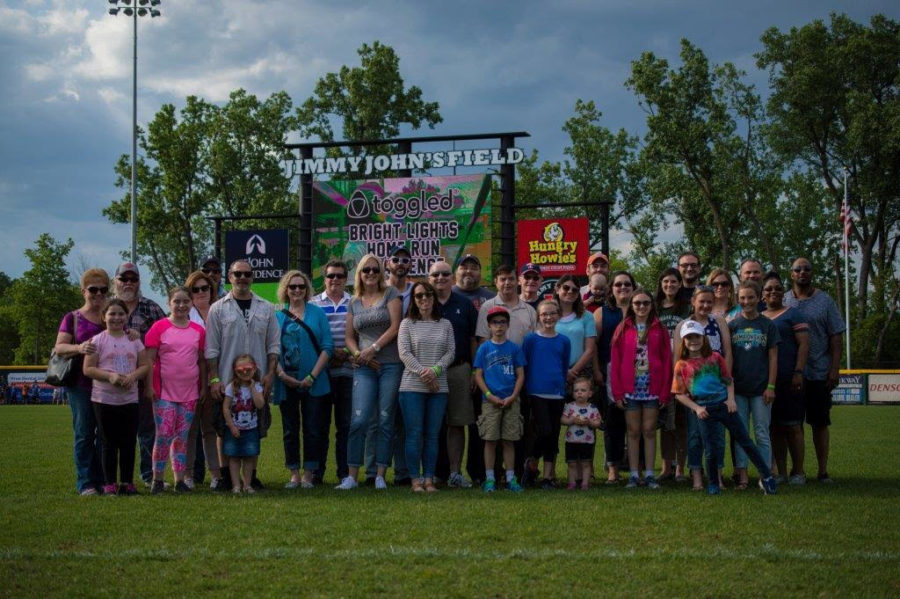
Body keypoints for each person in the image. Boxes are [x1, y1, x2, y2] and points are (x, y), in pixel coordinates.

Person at [672, 320, 777, 495]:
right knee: (711, 449)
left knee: (746, 441)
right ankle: (713, 483)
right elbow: (679, 393)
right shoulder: (682, 365)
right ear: (683, 341)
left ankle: (766, 476)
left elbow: (728, 380)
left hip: (725, 407)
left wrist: (731, 400)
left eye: (696, 336)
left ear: (703, 338)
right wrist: (696, 408)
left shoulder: (715, 358)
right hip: (705, 410)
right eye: (688, 338)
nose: (693, 341)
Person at [206, 259, 280, 490]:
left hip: (256, 382)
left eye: (247, 274)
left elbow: (273, 346)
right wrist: (215, 378)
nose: (242, 278)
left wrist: (269, 374)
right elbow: (211, 348)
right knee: (224, 426)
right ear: (230, 276)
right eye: (237, 274)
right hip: (228, 380)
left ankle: (251, 476)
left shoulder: (267, 308)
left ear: (253, 277)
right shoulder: (218, 308)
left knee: (255, 427)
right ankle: (225, 475)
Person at [337, 253, 403, 490]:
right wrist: (358, 355)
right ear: (360, 274)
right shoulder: (354, 302)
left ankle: (380, 474)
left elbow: (396, 326)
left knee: (386, 419)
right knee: (359, 420)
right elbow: (348, 337)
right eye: (366, 270)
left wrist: (373, 349)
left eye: (375, 270)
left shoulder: (391, 294)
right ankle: (352, 476)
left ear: (381, 273)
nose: (371, 274)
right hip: (364, 367)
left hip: (390, 364)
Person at [82, 298, 152, 496]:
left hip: (129, 400)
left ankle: (127, 483)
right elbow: (88, 368)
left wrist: (133, 377)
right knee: (108, 443)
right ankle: (109, 483)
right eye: (111, 314)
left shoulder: (134, 340)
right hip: (104, 399)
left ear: (126, 316)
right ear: (104, 317)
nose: (116, 317)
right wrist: (109, 376)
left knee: (129, 442)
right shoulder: (97, 340)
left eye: (120, 313)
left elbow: (145, 365)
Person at [784, 257, 844, 483]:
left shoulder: (825, 300)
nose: (802, 272)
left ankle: (822, 470)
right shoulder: (784, 299)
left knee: (819, 422)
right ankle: (797, 470)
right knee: (793, 424)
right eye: (797, 269)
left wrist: (834, 368)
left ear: (812, 273)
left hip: (819, 370)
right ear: (791, 274)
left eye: (807, 269)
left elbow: (836, 336)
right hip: (793, 372)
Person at [273, 270, 333, 489]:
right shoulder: (278, 316)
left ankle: (309, 473)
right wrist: (281, 374)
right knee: (290, 429)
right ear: (285, 290)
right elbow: (271, 349)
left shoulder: (317, 314)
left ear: (307, 290)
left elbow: (327, 347)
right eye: (292, 287)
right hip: (286, 380)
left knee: (312, 428)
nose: (297, 290)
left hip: (313, 381)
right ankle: (293, 474)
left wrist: (312, 376)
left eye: (301, 286)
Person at [144, 286, 207, 494]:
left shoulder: (199, 331)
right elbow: (149, 360)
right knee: (163, 435)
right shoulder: (159, 327)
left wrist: (204, 386)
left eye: (185, 301)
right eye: (176, 301)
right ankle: (158, 479)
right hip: (164, 393)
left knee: (182, 436)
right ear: (169, 303)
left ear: (191, 303)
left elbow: (202, 362)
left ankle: (180, 480)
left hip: (189, 393)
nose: (181, 305)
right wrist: (149, 386)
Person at [610, 288, 673, 489]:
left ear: (652, 305)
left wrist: (665, 391)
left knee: (649, 431)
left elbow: (666, 361)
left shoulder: (659, 328)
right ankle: (634, 474)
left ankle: (650, 474)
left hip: (652, 388)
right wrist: (618, 392)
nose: (642, 307)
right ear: (631, 306)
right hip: (630, 388)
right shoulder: (623, 328)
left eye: (646, 303)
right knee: (633, 431)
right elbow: (616, 361)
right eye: (637, 303)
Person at [54, 268, 108, 495]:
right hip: (80, 385)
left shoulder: (111, 316)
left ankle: (104, 480)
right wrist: (78, 347)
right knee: (85, 433)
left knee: (105, 436)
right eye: (93, 289)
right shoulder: (72, 318)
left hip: (106, 385)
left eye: (103, 290)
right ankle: (86, 482)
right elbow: (59, 347)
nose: (98, 294)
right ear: (83, 291)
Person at [397, 281, 455, 492]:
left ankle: (429, 478)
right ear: (413, 299)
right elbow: (404, 354)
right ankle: (415, 480)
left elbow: (450, 352)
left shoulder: (445, 324)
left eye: (428, 295)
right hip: (412, 387)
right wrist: (425, 373)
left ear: (434, 297)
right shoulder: (407, 324)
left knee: (432, 434)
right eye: (419, 295)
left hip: (438, 389)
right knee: (414, 434)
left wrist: (435, 372)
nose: (424, 299)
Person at [673, 287, 733, 491]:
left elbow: (727, 352)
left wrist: (727, 387)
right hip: (693, 393)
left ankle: (717, 476)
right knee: (695, 435)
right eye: (702, 302)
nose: (706, 305)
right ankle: (697, 475)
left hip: (717, 390)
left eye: (709, 302)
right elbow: (678, 359)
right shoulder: (683, 325)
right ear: (693, 301)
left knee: (717, 436)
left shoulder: (719, 322)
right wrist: (685, 391)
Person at [112, 262, 166, 487]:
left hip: (143, 380)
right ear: (115, 281)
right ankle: (110, 478)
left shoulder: (151, 308)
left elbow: (167, 339)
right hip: (111, 383)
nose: (128, 283)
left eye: (133, 279)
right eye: (124, 279)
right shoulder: (109, 307)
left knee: (146, 431)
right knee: (113, 433)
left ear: (139, 282)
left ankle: (148, 475)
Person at [428, 259, 478, 489]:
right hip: (430, 371)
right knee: (433, 424)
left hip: (459, 369)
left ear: (452, 277)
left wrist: (475, 370)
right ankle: (435, 472)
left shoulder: (465, 304)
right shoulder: (423, 303)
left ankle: (455, 473)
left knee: (457, 423)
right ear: (429, 278)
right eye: (435, 274)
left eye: (445, 274)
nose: (440, 278)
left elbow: (472, 340)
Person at [728, 280, 780, 490]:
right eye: (742, 298)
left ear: (759, 298)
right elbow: (728, 359)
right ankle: (741, 476)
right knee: (741, 434)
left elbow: (774, 358)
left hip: (761, 390)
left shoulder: (767, 325)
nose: (746, 301)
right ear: (737, 299)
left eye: (750, 297)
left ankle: (765, 474)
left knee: (761, 433)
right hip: (738, 389)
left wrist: (771, 386)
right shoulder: (732, 325)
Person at [761, 271, 809, 484]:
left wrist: (798, 371)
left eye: (777, 288)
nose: (773, 292)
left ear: (784, 292)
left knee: (793, 426)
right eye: (769, 289)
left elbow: (804, 344)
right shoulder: (759, 318)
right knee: (774, 428)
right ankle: (779, 471)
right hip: (767, 382)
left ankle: (798, 471)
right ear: (762, 294)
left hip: (790, 378)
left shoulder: (793, 314)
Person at [452, 253, 496, 484]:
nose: (468, 271)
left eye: (474, 267)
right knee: (452, 423)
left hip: (485, 369)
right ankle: (447, 472)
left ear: (481, 272)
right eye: (464, 267)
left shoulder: (490, 298)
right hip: (453, 367)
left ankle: (479, 472)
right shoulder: (448, 295)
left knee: (481, 423)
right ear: (456, 272)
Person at [473, 306, 526, 493]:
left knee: (509, 440)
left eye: (503, 322)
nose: (499, 327)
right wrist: (489, 395)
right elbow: (478, 374)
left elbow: (520, 374)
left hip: (511, 400)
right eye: (495, 323)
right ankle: (490, 478)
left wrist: (514, 396)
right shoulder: (484, 348)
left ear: (508, 325)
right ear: (489, 326)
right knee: (490, 440)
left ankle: (511, 478)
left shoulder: (514, 348)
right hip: (490, 401)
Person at [310, 259, 353, 484]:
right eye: (330, 275)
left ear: (346, 279)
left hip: (347, 372)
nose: (335, 279)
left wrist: (344, 352)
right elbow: (311, 335)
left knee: (345, 426)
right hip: (322, 373)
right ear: (324, 278)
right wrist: (330, 355)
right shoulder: (313, 303)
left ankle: (344, 474)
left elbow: (359, 334)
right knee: (319, 425)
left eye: (339, 275)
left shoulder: (355, 302)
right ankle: (316, 473)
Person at [521, 299, 570, 488]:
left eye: (552, 313)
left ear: (558, 315)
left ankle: (548, 476)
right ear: (538, 317)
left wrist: (561, 385)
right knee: (544, 430)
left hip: (557, 392)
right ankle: (531, 462)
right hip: (536, 392)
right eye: (544, 314)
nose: (548, 317)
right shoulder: (531, 339)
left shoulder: (563, 341)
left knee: (554, 434)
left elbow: (564, 366)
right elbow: (525, 365)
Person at [594, 270, 635, 483]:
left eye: (627, 284)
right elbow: (592, 343)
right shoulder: (602, 313)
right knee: (613, 424)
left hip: (638, 373)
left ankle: (639, 469)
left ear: (633, 287)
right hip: (609, 374)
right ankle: (613, 470)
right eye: (618, 284)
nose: (623, 288)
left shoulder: (641, 310)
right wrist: (596, 370)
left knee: (636, 423)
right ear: (611, 288)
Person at [183, 270, 219, 489]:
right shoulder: (184, 314)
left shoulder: (220, 312)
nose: (200, 292)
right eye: (195, 289)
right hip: (189, 380)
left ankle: (216, 474)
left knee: (211, 430)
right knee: (189, 430)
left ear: (211, 290)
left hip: (215, 378)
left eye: (205, 288)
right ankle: (187, 475)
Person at [655, 267, 691, 481]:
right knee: (665, 423)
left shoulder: (687, 308)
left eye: (674, 282)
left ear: (680, 284)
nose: (670, 285)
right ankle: (666, 467)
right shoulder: (656, 308)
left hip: (682, 370)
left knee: (681, 421)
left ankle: (680, 469)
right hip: (660, 371)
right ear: (661, 284)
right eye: (666, 281)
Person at [385, 244, 414, 485]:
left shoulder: (418, 291)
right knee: (386, 419)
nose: (401, 263)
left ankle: (407, 471)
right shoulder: (378, 289)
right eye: (396, 259)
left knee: (407, 420)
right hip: (384, 361)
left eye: (405, 260)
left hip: (414, 363)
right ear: (388, 263)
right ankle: (380, 471)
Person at [222, 354, 266, 494]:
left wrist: (253, 388)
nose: (245, 372)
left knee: (249, 458)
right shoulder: (231, 387)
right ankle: (236, 485)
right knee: (234, 458)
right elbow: (225, 408)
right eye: (241, 370)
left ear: (254, 369)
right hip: (234, 429)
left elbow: (260, 405)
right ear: (235, 371)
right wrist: (231, 426)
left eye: (248, 369)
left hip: (251, 429)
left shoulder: (258, 386)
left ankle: (247, 484)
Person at [475, 265, 537, 345]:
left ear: (518, 281)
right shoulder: (487, 307)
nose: (507, 283)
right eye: (503, 279)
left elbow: (535, 341)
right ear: (496, 282)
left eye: (511, 279)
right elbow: (483, 340)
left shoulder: (530, 310)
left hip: (522, 357)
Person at [560, 377, 602, 490]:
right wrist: (571, 420)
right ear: (573, 393)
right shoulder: (569, 406)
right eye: (576, 390)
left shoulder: (592, 408)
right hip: (571, 440)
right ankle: (572, 482)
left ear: (590, 393)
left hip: (586, 441)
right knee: (571, 463)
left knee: (586, 463)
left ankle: (585, 483)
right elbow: (562, 420)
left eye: (583, 390)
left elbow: (598, 422)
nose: (579, 393)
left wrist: (589, 422)